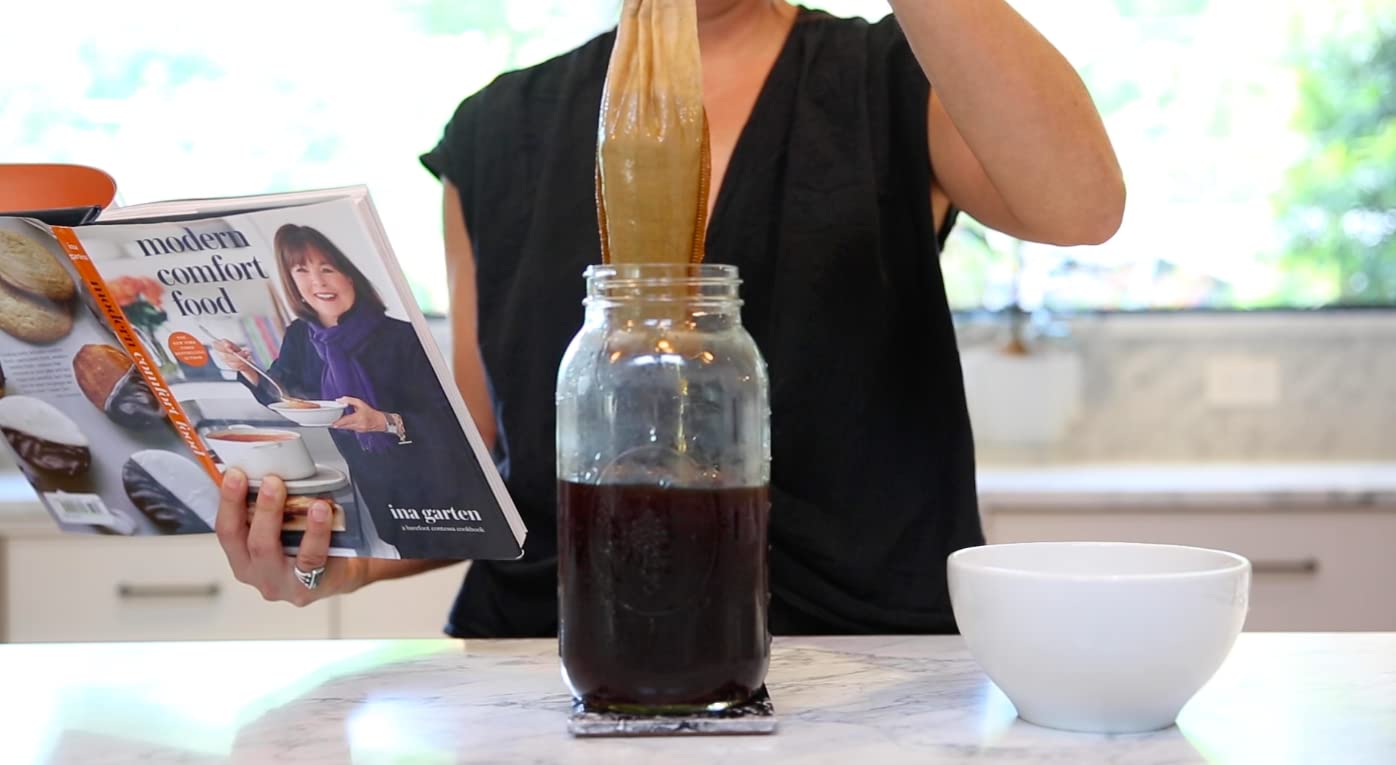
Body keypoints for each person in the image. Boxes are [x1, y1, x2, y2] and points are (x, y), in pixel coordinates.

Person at [217, 1, 1125, 624]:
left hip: (859, 662)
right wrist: (355, 554)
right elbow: (490, 467)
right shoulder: (496, 131)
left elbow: (1080, 205)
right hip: (545, 665)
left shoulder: (891, 76)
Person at [214, 223, 477, 560]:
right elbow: (280, 392)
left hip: (434, 484)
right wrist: (245, 368)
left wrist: (384, 421)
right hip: (372, 484)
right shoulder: (301, 336)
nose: (318, 282)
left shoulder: (403, 337)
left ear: (350, 276)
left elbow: (447, 422)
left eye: (327, 269)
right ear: (292, 282)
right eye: (302, 270)